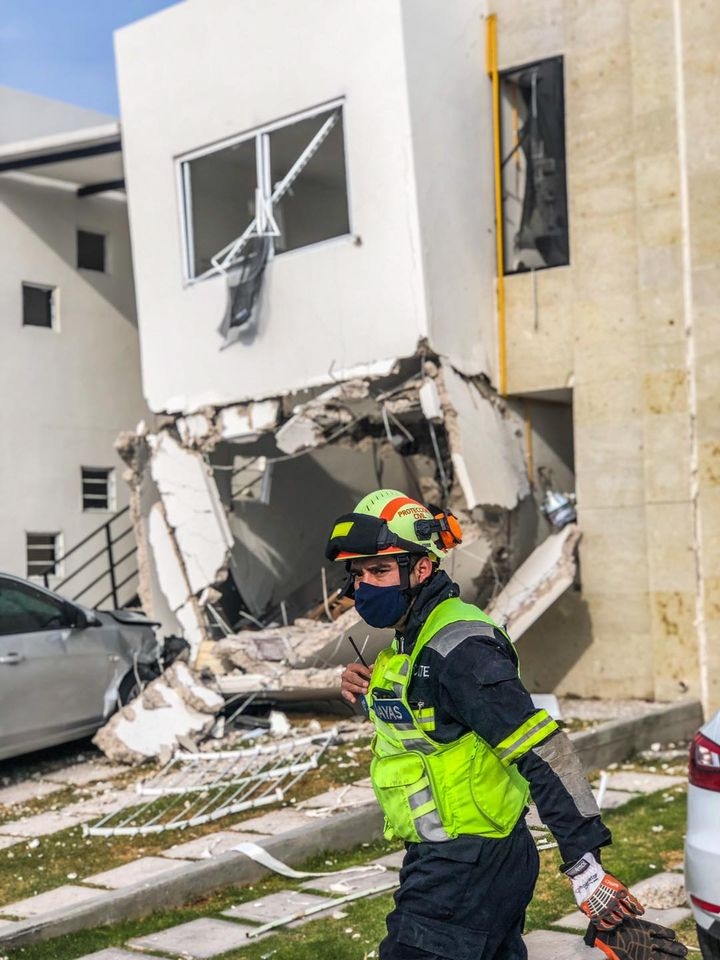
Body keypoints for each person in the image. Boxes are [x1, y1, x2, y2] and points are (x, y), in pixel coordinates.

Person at [325, 488, 642, 960]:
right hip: (451, 857)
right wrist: (368, 688)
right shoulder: (411, 641)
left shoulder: (460, 648)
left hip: (468, 865)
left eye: (379, 570)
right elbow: (430, 730)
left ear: (422, 568)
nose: (365, 585)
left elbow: (543, 748)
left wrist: (585, 863)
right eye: (359, 573)